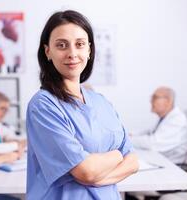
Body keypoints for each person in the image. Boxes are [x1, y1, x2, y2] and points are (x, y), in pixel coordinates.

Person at [26, 10, 139, 200]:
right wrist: (117, 156)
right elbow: (86, 171)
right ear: (48, 52)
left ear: (89, 50)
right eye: (62, 45)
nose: (72, 53)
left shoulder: (101, 102)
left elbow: (134, 162)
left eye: (79, 44)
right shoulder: (43, 106)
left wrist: (97, 178)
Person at [130, 86, 187, 163]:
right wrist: (131, 134)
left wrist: (128, 140)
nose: (150, 101)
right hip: (160, 159)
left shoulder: (177, 120)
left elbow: (152, 143)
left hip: (172, 165)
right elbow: (150, 131)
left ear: (168, 101)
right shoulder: (165, 118)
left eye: (155, 97)